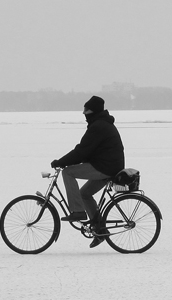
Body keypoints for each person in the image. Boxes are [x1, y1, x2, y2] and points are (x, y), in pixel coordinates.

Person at [51, 96, 125, 248]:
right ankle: (100, 230)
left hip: (105, 167)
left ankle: (78, 211)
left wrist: (61, 162)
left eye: (87, 112)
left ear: (94, 112)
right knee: (84, 194)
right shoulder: (101, 124)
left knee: (68, 173)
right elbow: (86, 151)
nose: (85, 115)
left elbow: (81, 151)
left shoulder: (98, 126)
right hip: (108, 166)